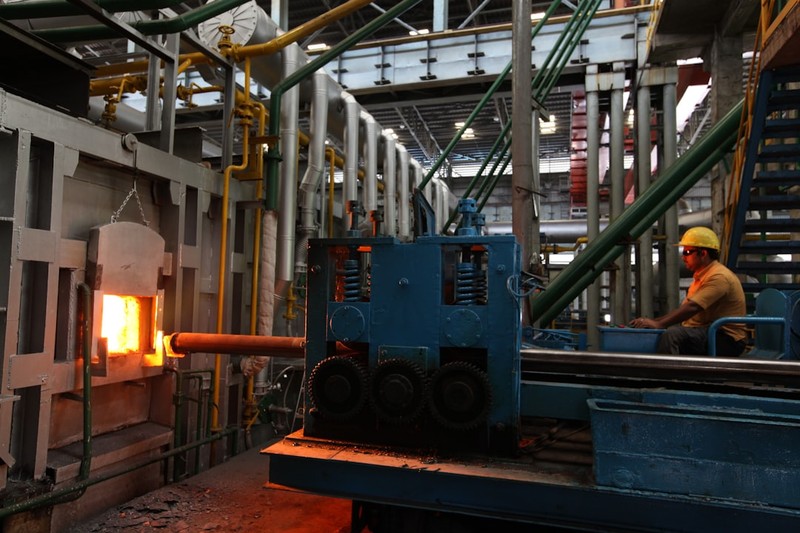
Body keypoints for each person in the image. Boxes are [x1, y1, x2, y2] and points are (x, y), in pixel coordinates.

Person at [629, 226, 747, 357]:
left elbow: (692, 307)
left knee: (673, 335)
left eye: (687, 252)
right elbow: (685, 309)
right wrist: (651, 322)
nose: (683, 257)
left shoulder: (719, 277)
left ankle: (668, 370)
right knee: (664, 331)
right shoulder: (702, 276)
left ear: (703, 253)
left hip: (726, 338)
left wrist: (659, 324)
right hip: (708, 331)